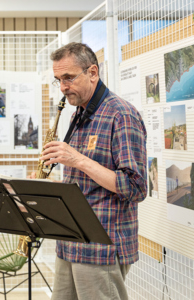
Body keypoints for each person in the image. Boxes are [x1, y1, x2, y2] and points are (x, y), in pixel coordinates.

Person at [38, 43, 147, 300]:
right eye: (58, 80)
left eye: (69, 78)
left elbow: (136, 187)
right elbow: (82, 182)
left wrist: (79, 159)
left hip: (101, 247)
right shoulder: (79, 112)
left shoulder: (121, 115)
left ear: (93, 73)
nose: (63, 87)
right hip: (70, 241)